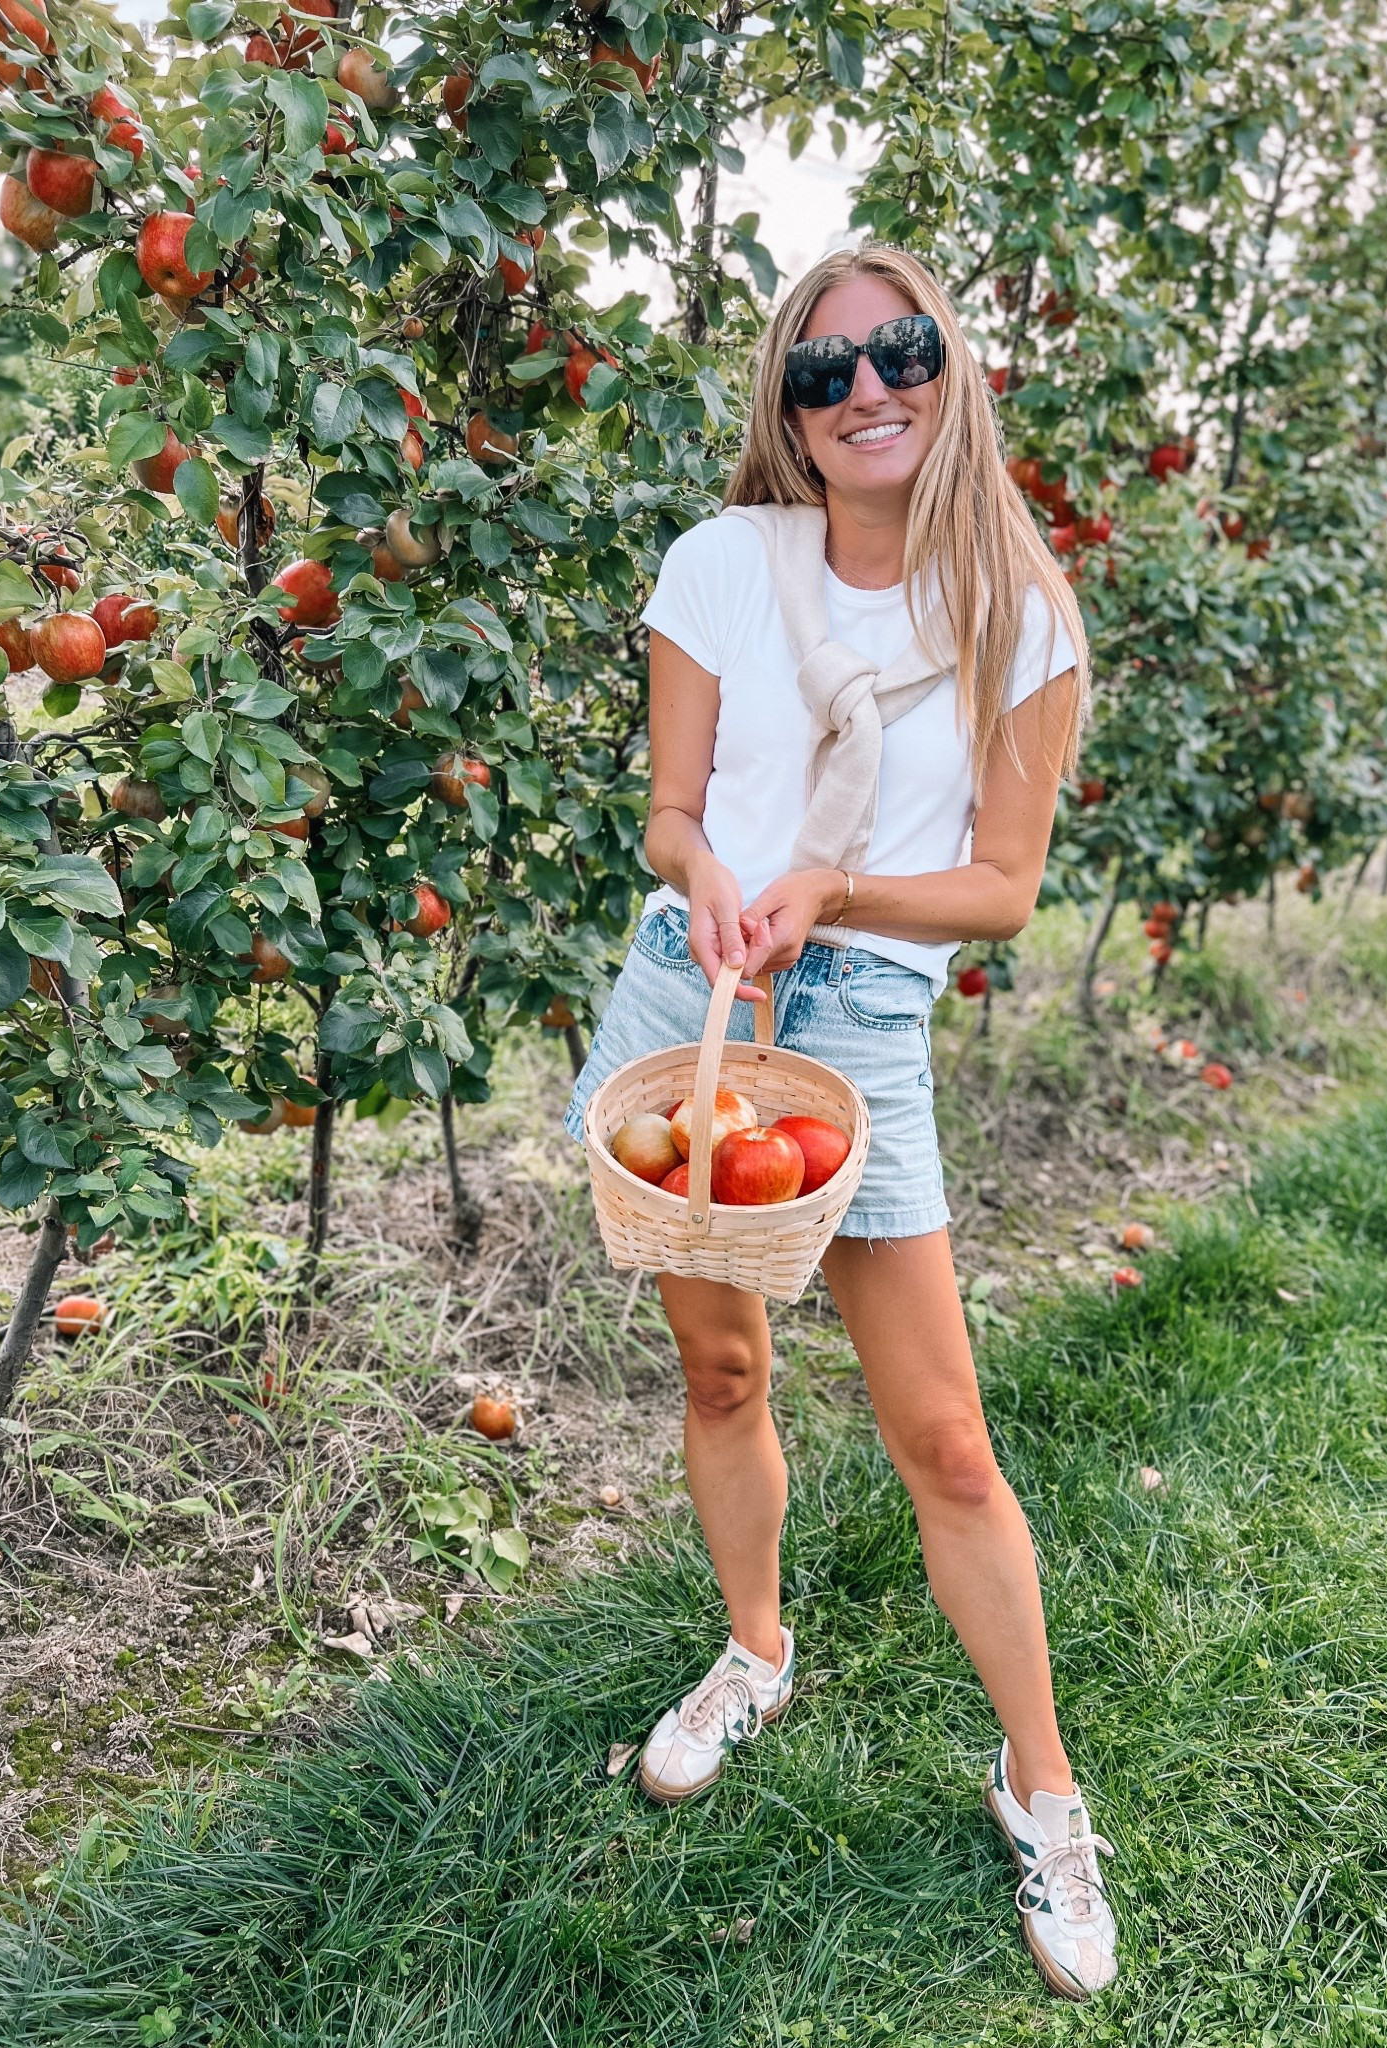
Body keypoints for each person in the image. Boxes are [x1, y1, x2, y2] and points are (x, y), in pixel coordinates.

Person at [563, 245, 1119, 2000]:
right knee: (720, 1372)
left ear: (954, 370)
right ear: (789, 420)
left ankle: (1043, 1785)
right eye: (826, 373)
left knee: (944, 1437)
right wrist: (722, 875)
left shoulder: (1018, 614)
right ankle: (753, 1650)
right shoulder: (724, 565)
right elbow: (668, 816)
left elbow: (1008, 889)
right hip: (694, 998)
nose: (869, 389)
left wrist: (835, 888)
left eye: (899, 353)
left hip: (862, 1021)